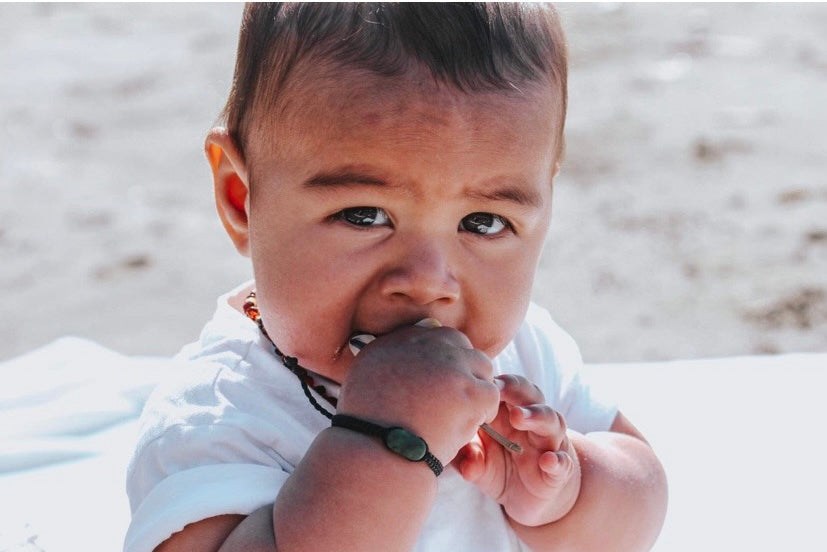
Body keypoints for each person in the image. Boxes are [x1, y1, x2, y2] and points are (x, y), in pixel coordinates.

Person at [125, 3, 668, 551]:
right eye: (365, 215)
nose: (428, 282)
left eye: (483, 223)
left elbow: (640, 506)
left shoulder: (523, 356)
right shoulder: (215, 418)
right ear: (242, 198)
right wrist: (383, 441)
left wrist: (566, 493)